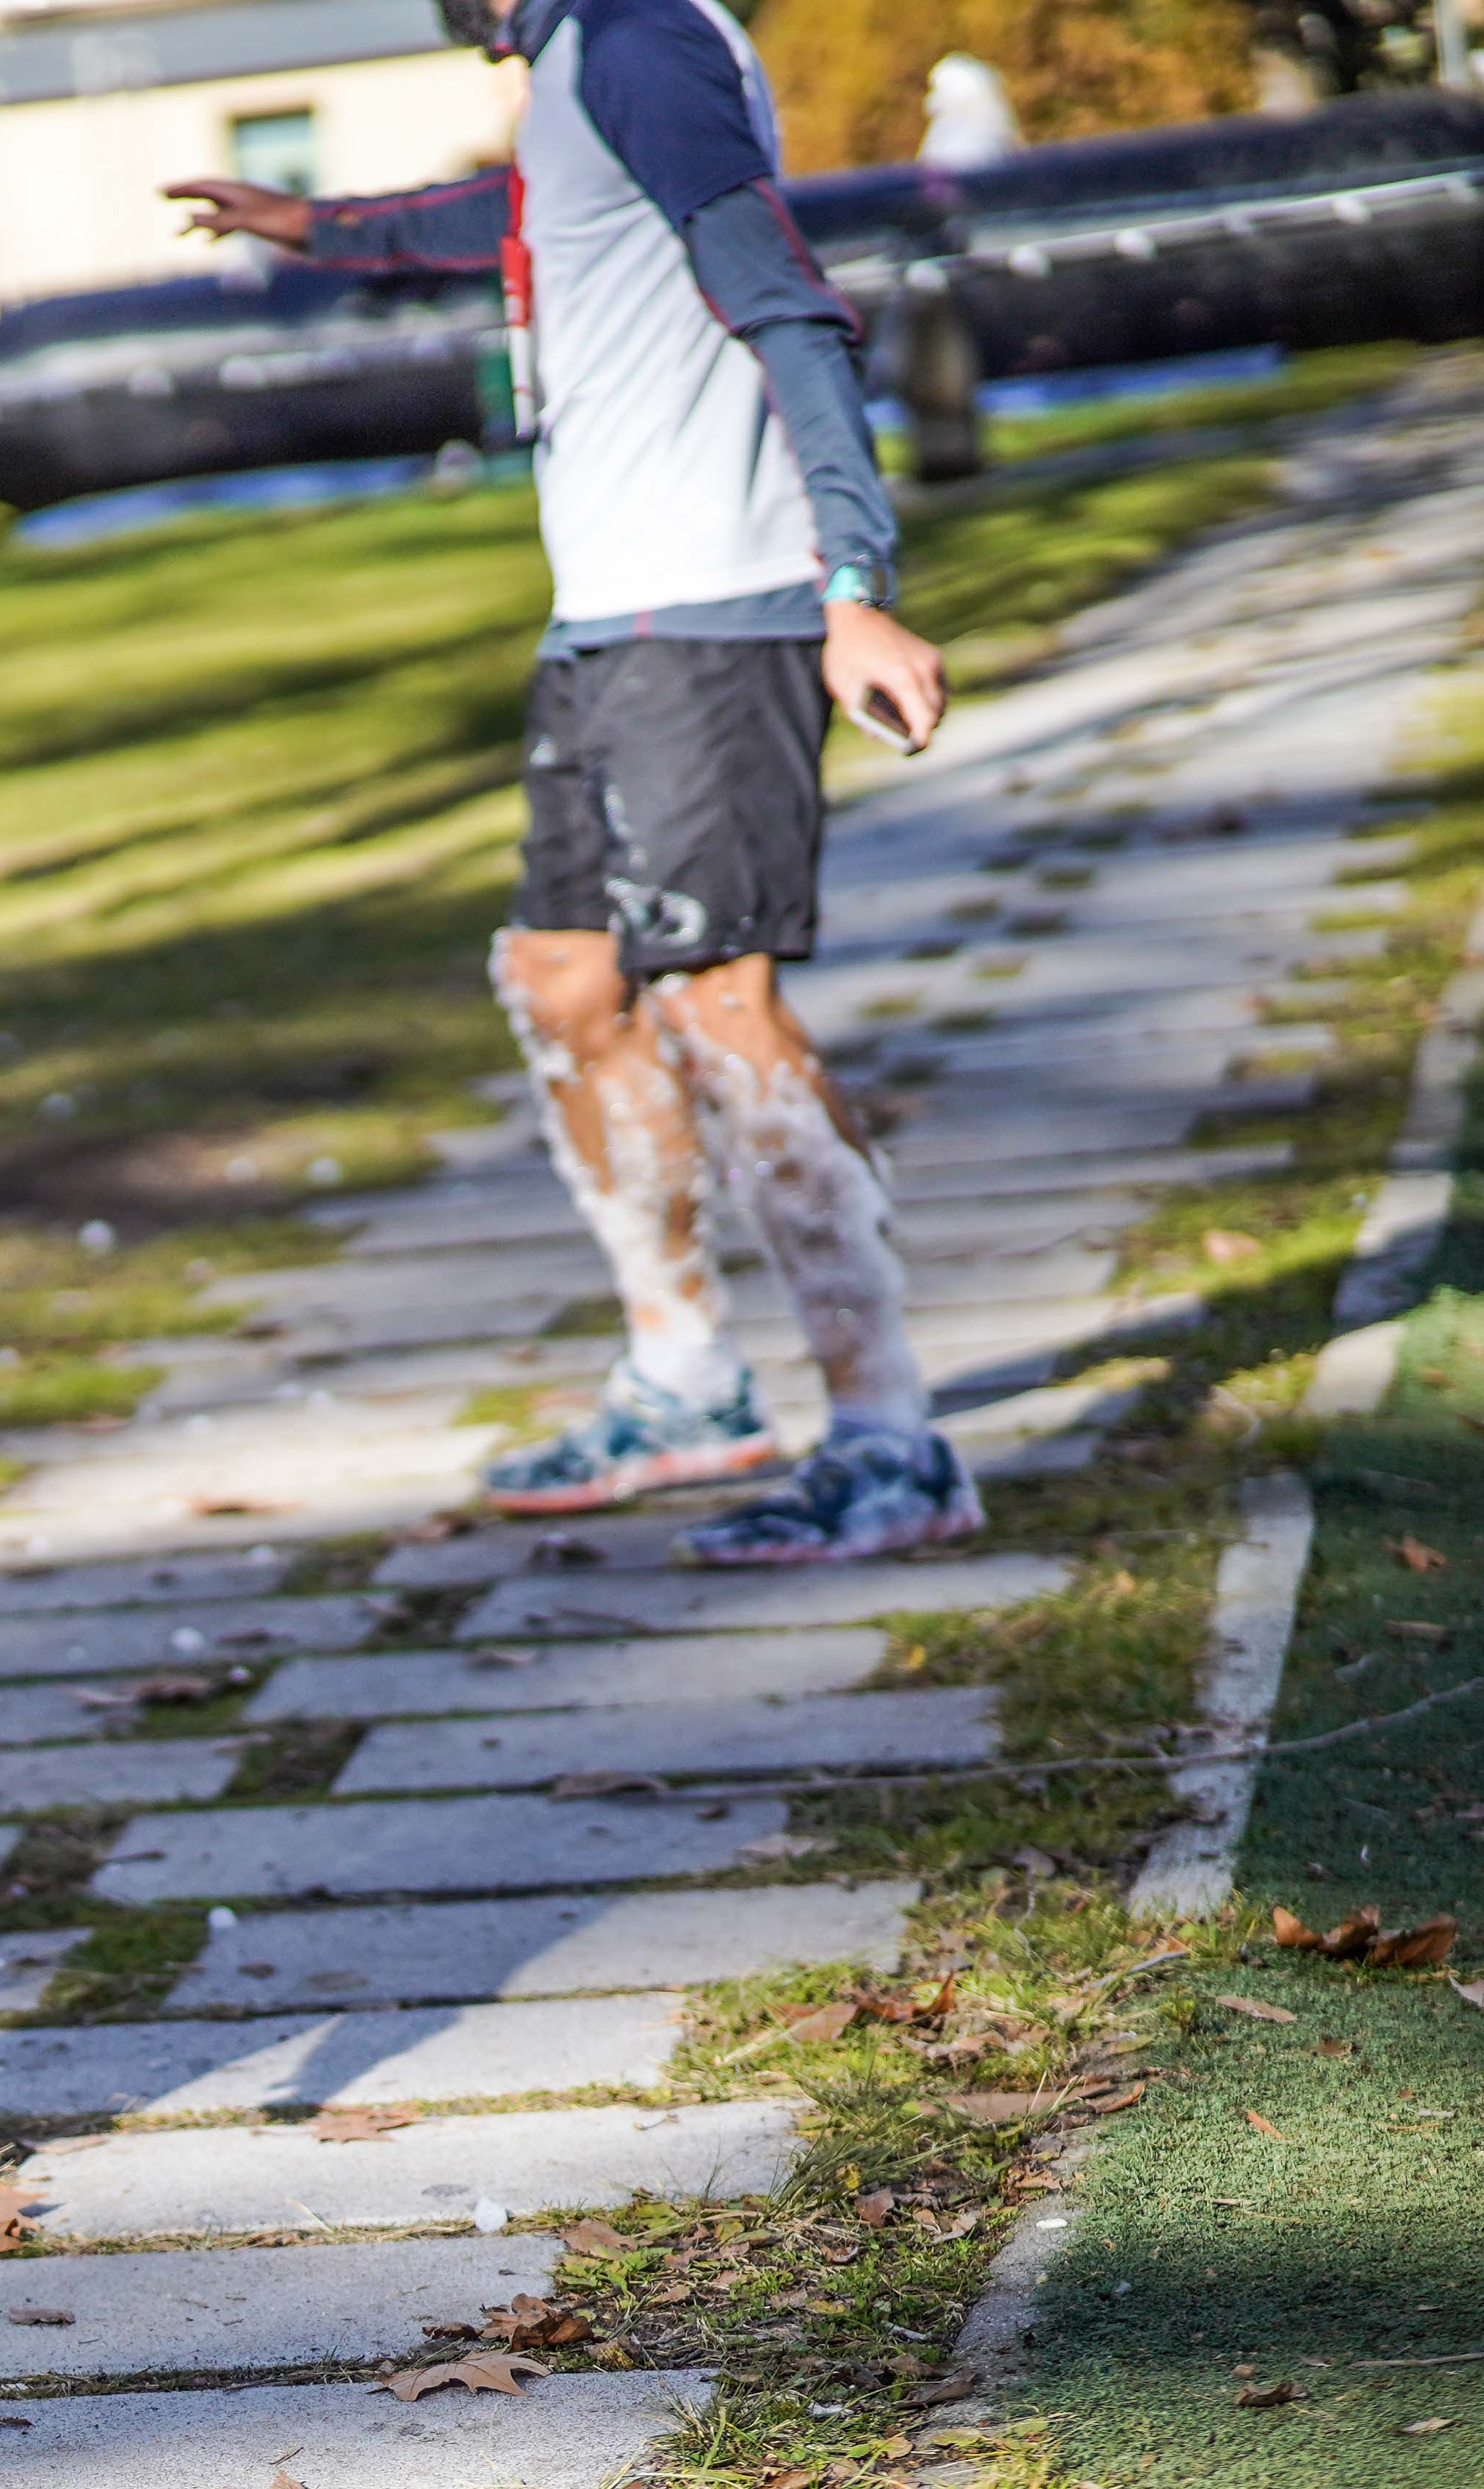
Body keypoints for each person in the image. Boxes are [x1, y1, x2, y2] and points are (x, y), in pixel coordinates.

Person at [166, 0, 980, 1564]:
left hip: (714, 601)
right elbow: (538, 213)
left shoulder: (639, 38)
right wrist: (320, 224)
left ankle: (895, 1437)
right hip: (607, 612)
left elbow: (784, 302)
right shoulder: (573, 65)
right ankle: (687, 1381)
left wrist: (855, 581)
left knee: (714, 1003)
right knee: (566, 980)